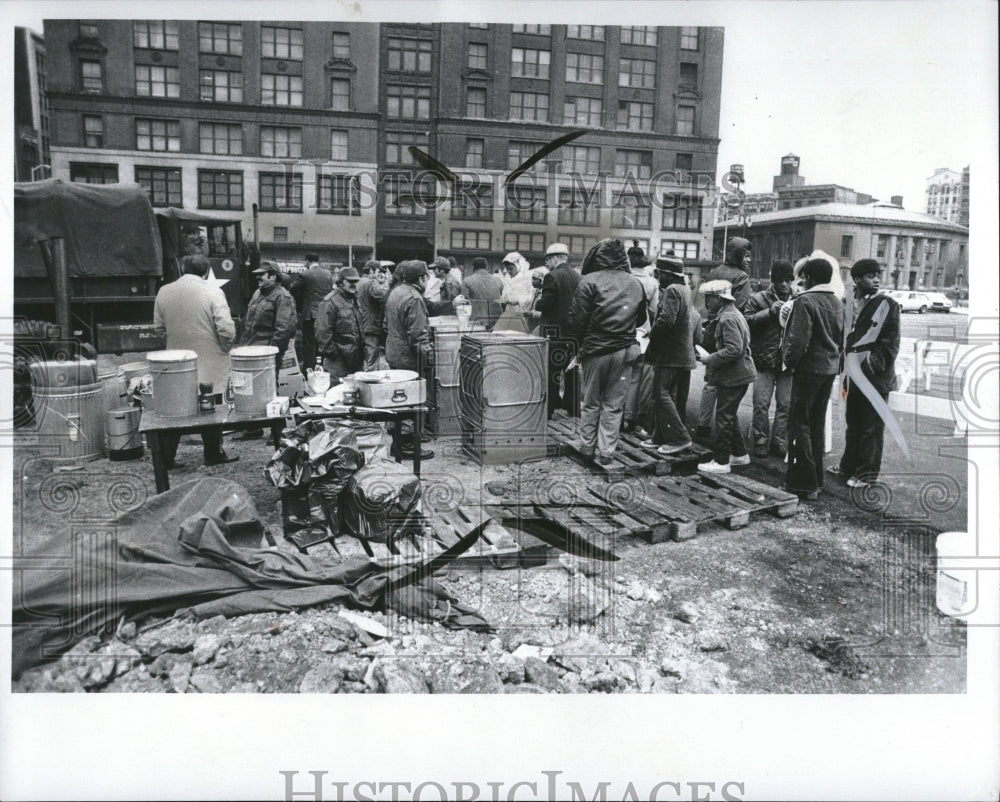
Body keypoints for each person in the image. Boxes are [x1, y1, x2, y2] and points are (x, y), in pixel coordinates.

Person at [152, 253, 238, 466]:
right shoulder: (213, 291)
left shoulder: (164, 291)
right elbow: (226, 329)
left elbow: (159, 328)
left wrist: (174, 347)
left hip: (177, 360)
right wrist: (224, 349)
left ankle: (166, 458)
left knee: (176, 407)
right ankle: (213, 453)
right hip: (210, 358)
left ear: (181, 269)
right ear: (207, 271)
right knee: (211, 406)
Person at [566, 238, 647, 465]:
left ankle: (587, 447)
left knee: (590, 402)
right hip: (624, 352)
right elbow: (641, 317)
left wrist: (578, 347)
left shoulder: (588, 281)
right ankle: (607, 452)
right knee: (614, 404)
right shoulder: (635, 282)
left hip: (595, 351)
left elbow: (577, 321)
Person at [829, 258, 900, 488]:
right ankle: (847, 467)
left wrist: (867, 366)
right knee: (854, 423)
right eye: (871, 276)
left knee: (871, 427)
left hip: (874, 377)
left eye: (878, 275)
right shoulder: (847, 302)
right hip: (852, 376)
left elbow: (890, 344)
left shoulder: (887, 304)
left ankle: (866, 475)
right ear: (857, 279)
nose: (877, 279)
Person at [781, 257, 845, 500]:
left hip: (808, 370)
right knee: (816, 425)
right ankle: (816, 481)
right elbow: (842, 339)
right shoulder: (837, 302)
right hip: (828, 370)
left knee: (799, 424)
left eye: (804, 276)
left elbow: (798, 342)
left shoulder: (805, 301)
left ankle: (801, 483)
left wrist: (789, 363)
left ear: (809, 278)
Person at [695, 237, 754, 439]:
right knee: (727, 384)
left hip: (712, 329)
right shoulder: (742, 277)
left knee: (711, 380)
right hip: (729, 329)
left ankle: (702, 425)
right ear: (737, 255)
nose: (749, 259)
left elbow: (708, 303)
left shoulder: (714, 272)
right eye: (746, 255)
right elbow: (741, 305)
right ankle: (724, 432)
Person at [695, 280, 756, 473]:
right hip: (740, 374)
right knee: (728, 415)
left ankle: (721, 461)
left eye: (708, 299)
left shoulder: (727, 318)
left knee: (723, 417)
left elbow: (734, 349)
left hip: (734, 376)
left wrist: (709, 358)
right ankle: (739, 454)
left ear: (718, 299)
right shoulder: (733, 313)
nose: (706, 303)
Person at [232, 261, 297, 440]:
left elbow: (284, 329)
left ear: (273, 276)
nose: (258, 277)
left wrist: (271, 352)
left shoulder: (283, 297)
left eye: (262, 274)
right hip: (250, 350)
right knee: (250, 390)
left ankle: (278, 432)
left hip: (267, 353)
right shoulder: (257, 294)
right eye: (257, 275)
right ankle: (253, 429)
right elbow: (249, 323)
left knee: (270, 390)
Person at [642, 254, 697, 454]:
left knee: (661, 394)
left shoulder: (672, 290)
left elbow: (666, 321)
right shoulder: (685, 289)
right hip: (682, 355)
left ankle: (679, 438)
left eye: (660, 273)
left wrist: (652, 336)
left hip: (670, 354)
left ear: (668, 274)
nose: (657, 276)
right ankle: (660, 436)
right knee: (671, 397)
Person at [744, 259, 796, 458]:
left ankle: (779, 441)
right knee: (761, 403)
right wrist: (769, 312)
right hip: (764, 361)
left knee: (785, 404)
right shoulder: (758, 299)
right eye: (780, 280)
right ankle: (760, 440)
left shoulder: (799, 299)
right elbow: (746, 320)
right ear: (773, 280)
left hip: (787, 363)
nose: (784, 284)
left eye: (787, 280)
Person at [383, 260, 435, 459]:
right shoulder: (414, 298)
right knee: (410, 400)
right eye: (426, 277)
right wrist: (429, 360)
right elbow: (419, 336)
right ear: (422, 278)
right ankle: (405, 446)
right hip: (408, 357)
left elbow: (386, 324)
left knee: (399, 398)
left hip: (395, 351)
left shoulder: (396, 292)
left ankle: (402, 441)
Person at [535, 242, 583, 417]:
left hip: (554, 332)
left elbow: (546, 303)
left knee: (552, 371)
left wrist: (537, 302)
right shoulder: (579, 277)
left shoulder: (551, 276)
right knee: (571, 371)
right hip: (573, 333)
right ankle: (573, 407)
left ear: (554, 258)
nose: (546, 264)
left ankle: (549, 409)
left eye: (547, 260)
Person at [623, 243, 659, 436]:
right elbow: (653, 310)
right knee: (636, 378)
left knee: (617, 376)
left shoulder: (623, 278)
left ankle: (615, 416)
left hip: (621, 330)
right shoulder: (652, 282)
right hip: (642, 332)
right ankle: (629, 418)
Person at [314, 266, 364, 382]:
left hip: (355, 359)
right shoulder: (330, 301)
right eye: (350, 281)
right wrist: (333, 353)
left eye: (356, 281)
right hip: (337, 362)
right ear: (340, 282)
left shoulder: (354, 299)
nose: (354, 285)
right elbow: (322, 332)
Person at [290, 252, 334, 373]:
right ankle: (322, 369)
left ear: (307, 261)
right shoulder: (328, 274)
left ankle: (308, 370)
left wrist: (301, 303)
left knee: (309, 344)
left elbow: (293, 289)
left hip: (310, 314)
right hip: (325, 314)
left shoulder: (305, 275)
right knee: (322, 342)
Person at [357, 259, 392, 369]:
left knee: (361, 360)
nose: (380, 274)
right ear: (372, 270)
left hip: (359, 325)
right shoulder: (370, 284)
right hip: (370, 326)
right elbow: (385, 296)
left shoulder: (358, 282)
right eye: (378, 271)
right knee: (372, 361)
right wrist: (387, 282)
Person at [459, 256, 503, 326]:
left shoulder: (467, 281)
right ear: (486, 267)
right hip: (497, 321)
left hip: (477, 321)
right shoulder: (498, 280)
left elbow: (463, 302)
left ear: (473, 267)